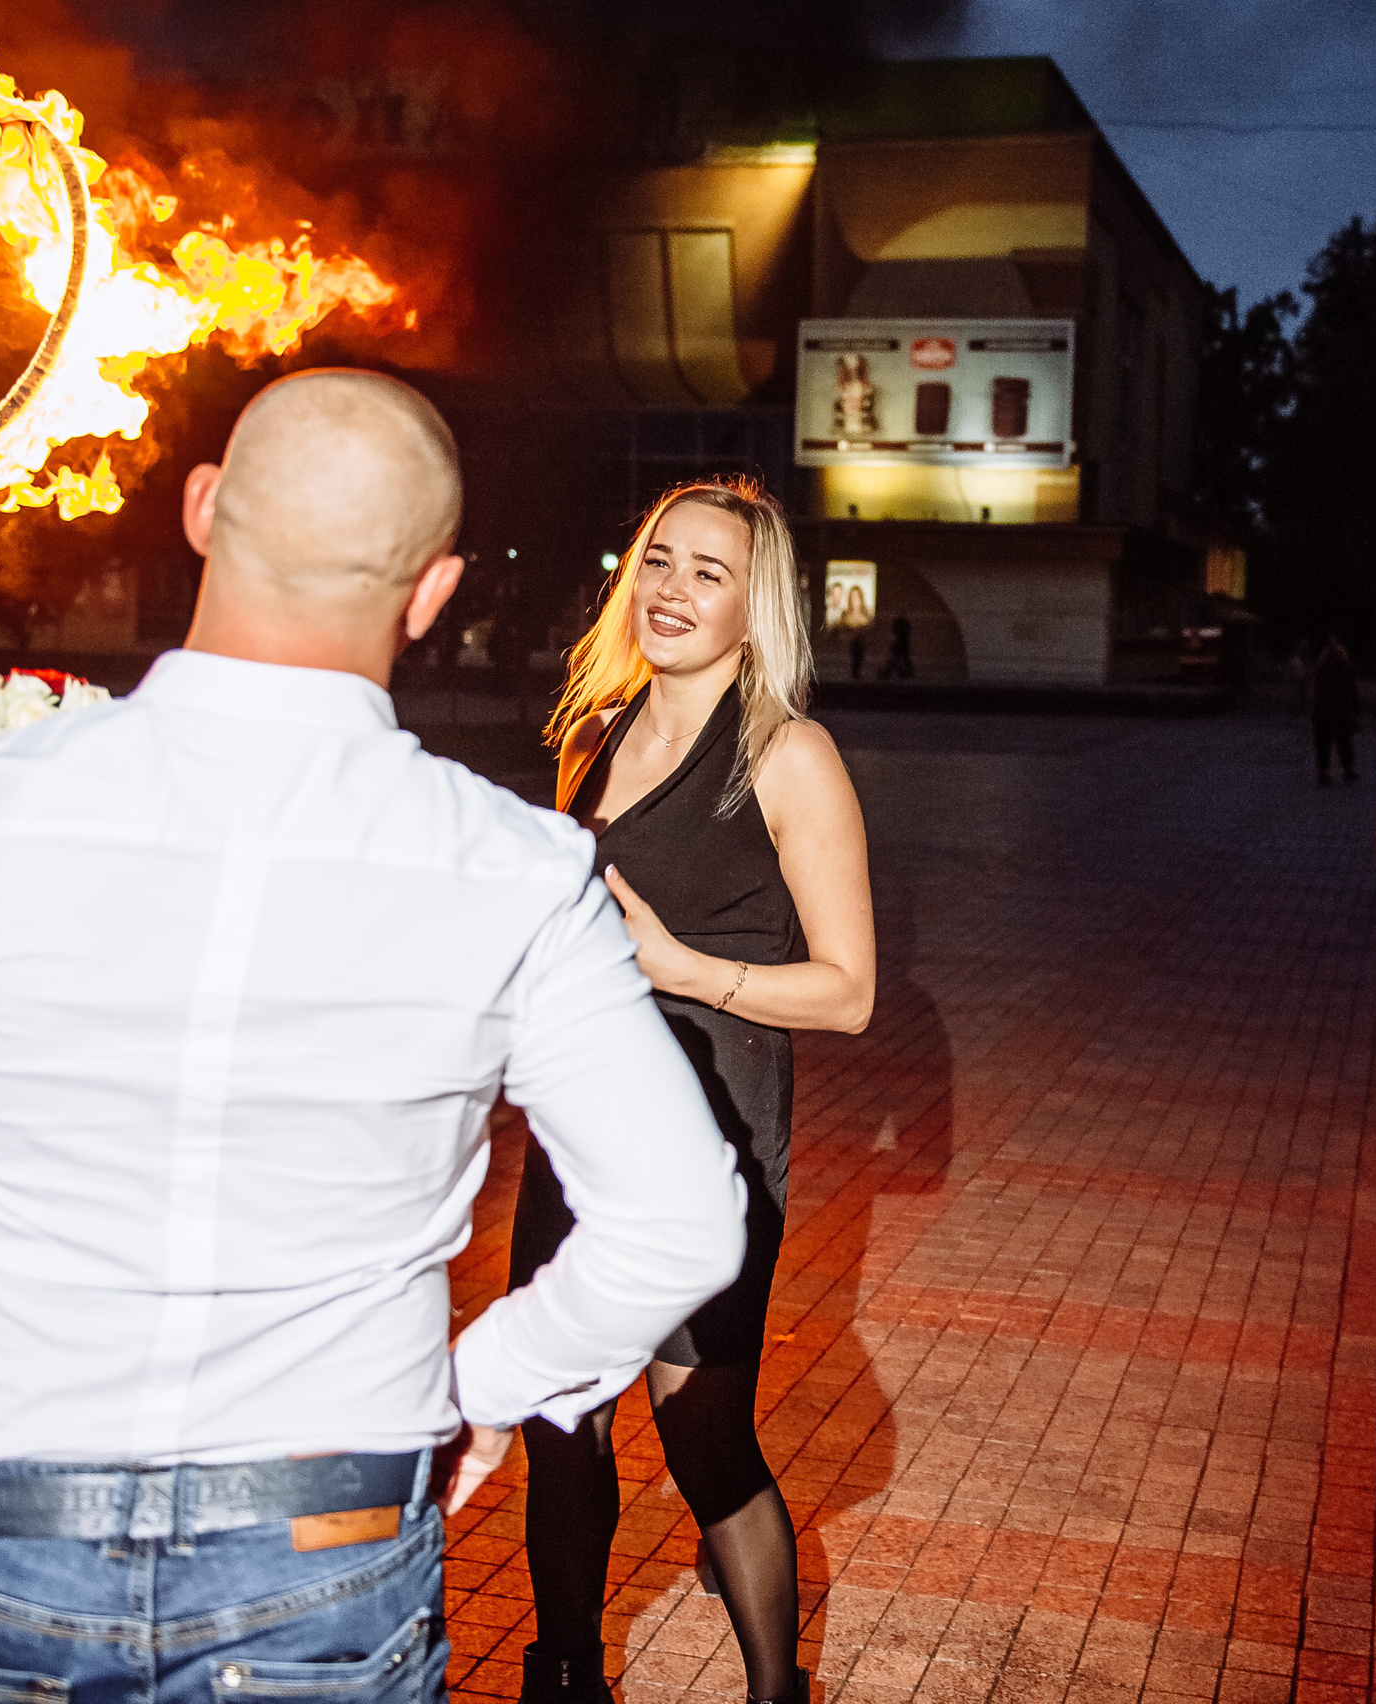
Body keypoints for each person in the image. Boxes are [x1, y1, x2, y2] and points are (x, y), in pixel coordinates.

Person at [0, 371, 751, 1699]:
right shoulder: (511, 869)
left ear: (205, 510)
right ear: (434, 590)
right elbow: (679, 1223)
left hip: (2, 1533)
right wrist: (483, 1381)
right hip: (326, 1525)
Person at [516, 478, 875, 1704]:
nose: (671, 588)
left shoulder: (787, 755)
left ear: (751, 605)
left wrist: (684, 969)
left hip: (706, 1148)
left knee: (703, 1440)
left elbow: (847, 993)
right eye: (658, 560)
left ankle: (777, 1692)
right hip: (574, 1135)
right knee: (559, 1418)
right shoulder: (591, 732)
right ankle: (565, 1676)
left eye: (707, 572)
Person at [1309, 637, 1360, 785]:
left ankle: (1323, 772)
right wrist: (1355, 711)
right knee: (1344, 742)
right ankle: (1347, 770)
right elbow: (1351, 693)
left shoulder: (1320, 670)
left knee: (1322, 743)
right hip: (1340, 712)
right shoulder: (1346, 670)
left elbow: (1317, 692)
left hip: (1322, 712)